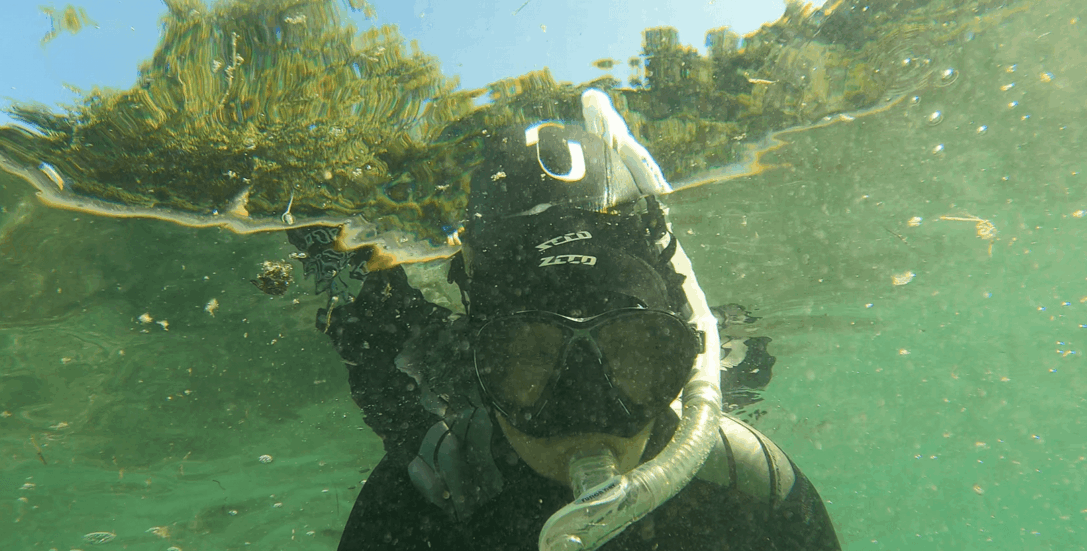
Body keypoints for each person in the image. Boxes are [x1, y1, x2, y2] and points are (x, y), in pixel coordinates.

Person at [291, 90, 841, 550]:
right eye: (529, 357)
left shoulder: (752, 486)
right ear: (482, 362)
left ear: (680, 355)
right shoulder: (422, 503)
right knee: (377, 349)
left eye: (631, 353)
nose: (585, 408)